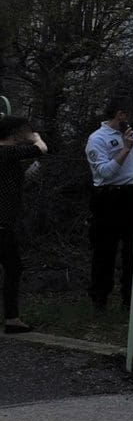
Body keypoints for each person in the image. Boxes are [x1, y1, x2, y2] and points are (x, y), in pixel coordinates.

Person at [83, 98, 133, 312]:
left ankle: (130, 299)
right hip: (109, 198)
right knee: (104, 250)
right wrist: (125, 149)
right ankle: (99, 299)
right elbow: (105, 173)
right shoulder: (97, 139)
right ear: (120, 114)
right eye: (128, 113)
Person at [0, 114, 48, 333]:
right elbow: (41, 149)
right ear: (13, 133)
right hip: (2, 224)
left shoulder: (8, 155)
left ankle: (12, 318)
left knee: (12, 268)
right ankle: (11, 319)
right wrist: (36, 137)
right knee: (13, 268)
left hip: (5, 222)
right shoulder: (7, 151)